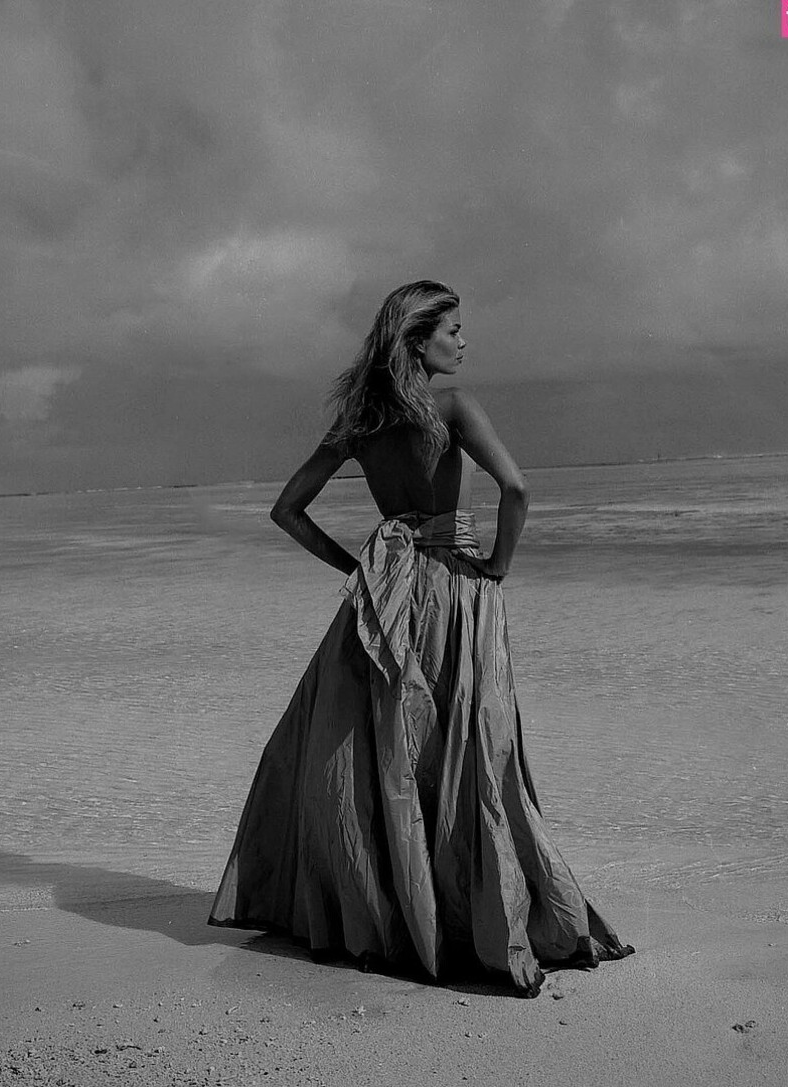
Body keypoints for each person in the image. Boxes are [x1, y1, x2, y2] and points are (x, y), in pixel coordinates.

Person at [208, 280, 634, 996]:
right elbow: (517, 488)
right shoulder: (454, 407)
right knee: (469, 751)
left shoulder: (360, 421)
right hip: (455, 590)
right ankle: (478, 917)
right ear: (417, 339)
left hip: (384, 597)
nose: (464, 342)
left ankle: (388, 914)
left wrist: (357, 569)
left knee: (377, 755)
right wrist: (498, 563)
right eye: (454, 330)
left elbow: (287, 511)